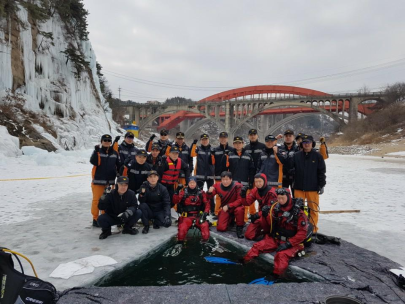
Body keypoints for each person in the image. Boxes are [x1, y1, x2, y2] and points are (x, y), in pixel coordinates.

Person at [242, 188, 309, 277]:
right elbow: (270, 227)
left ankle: (276, 276)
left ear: (288, 197)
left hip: (293, 243)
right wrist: (265, 216)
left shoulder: (298, 213)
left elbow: (302, 234)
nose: (280, 201)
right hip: (277, 239)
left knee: (281, 256)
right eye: (279, 198)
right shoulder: (276, 209)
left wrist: (288, 244)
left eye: (283, 198)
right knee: (257, 246)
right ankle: (243, 263)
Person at [292, 135, 326, 233]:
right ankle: (300, 229)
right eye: (304, 143)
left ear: (312, 144)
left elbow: (321, 172)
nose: (306, 145)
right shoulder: (296, 155)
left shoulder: (318, 156)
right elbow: (290, 169)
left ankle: (313, 230)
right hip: (299, 187)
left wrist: (322, 185)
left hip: (313, 188)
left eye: (308, 143)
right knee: (298, 210)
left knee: (313, 210)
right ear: (302, 144)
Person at [89, 134, 121, 227]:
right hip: (98, 181)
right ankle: (95, 219)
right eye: (105, 140)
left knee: (106, 200)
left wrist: (119, 175)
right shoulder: (98, 151)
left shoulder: (115, 153)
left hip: (109, 182)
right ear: (102, 141)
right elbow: (93, 162)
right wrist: (96, 152)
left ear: (111, 142)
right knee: (96, 201)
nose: (107, 142)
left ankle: (103, 217)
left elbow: (118, 165)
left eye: (108, 140)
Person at [206, 172, 245, 238]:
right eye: (223, 179)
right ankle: (231, 220)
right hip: (225, 209)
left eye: (227, 179)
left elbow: (240, 200)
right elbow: (209, 197)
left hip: (235, 207)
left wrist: (229, 206)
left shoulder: (238, 186)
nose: (225, 181)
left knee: (240, 209)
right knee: (221, 228)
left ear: (231, 179)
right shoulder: (217, 186)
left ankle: (239, 227)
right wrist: (209, 192)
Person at [172, 176, 210, 243]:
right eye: (190, 183)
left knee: (205, 231)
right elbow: (175, 201)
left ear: (196, 183)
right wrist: (176, 191)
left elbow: (207, 204)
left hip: (198, 217)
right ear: (188, 184)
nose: (192, 184)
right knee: (181, 233)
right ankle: (181, 245)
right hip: (186, 217)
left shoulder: (201, 193)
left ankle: (205, 244)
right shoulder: (183, 193)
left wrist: (205, 213)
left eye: (193, 182)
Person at [227, 136, 255, 222]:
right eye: (236, 143)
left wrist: (251, 182)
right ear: (233, 144)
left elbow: (252, 170)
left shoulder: (248, 156)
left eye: (240, 143)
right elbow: (226, 169)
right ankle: (232, 220)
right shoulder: (230, 155)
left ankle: (244, 220)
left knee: (244, 202)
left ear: (243, 144)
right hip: (233, 185)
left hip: (244, 184)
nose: (238, 145)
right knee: (232, 202)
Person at [242, 173, 277, 240]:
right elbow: (247, 203)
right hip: (261, 216)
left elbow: (272, 209)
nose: (258, 184)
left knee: (268, 218)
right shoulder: (255, 190)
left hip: (271, 216)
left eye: (260, 181)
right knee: (249, 235)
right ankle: (262, 233)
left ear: (265, 181)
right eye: (256, 182)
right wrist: (243, 196)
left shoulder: (272, 192)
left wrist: (257, 215)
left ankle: (269, 232)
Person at [190, 133, 215, 213]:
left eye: (206, 139)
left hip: (210, 175)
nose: (204, 141)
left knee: (211, 193)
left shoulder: (213, 149)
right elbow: (192, 154)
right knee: (199, 193)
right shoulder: (198, 149)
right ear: (200, 141)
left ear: (208, 140)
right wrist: (194, 144)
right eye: (203, 140)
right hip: (199, 175)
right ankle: (199, 208)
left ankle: (212, 209)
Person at [211, 131, 233, 217]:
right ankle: (217, 212)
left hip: (229, 177)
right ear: (219, 139)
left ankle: (229, 212)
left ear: (227, 138)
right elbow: (211, 163)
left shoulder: (232, 149)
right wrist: (211, 155)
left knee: (230, 195)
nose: (223, 139)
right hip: (218, 176)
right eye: (221, 138)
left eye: (225, 138)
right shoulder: (215, 150)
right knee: (218, 195)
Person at [244, 129, 266, 215]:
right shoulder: (246, 148)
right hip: (249, 174)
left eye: (254, 134)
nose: (253, 136)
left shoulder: (263, 146)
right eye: (251, 135)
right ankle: (252, 213)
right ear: (248, 136)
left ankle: (262, 212)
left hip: (260, 174)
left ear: (257, 136)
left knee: (261, 194)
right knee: (250, 194)